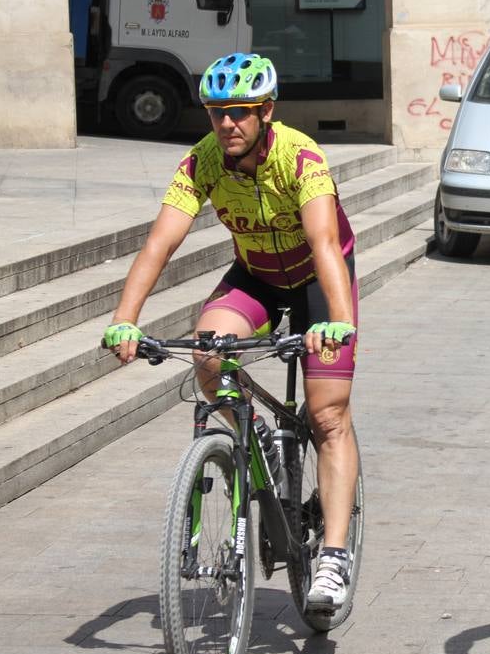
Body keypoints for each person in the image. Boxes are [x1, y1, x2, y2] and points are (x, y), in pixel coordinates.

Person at [102, 52, 360, 614]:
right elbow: (160, 243)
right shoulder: (202, 163)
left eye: (240, 112)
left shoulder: (301, 157)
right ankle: (252, 434)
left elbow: (323, 243)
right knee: (207, 350)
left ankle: (335, 557)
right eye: (217, 112)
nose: (227, 124)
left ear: (267, 111)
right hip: (258, 277)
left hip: (321, 280)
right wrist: (126, 317)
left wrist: (336, 321)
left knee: (327, 414)